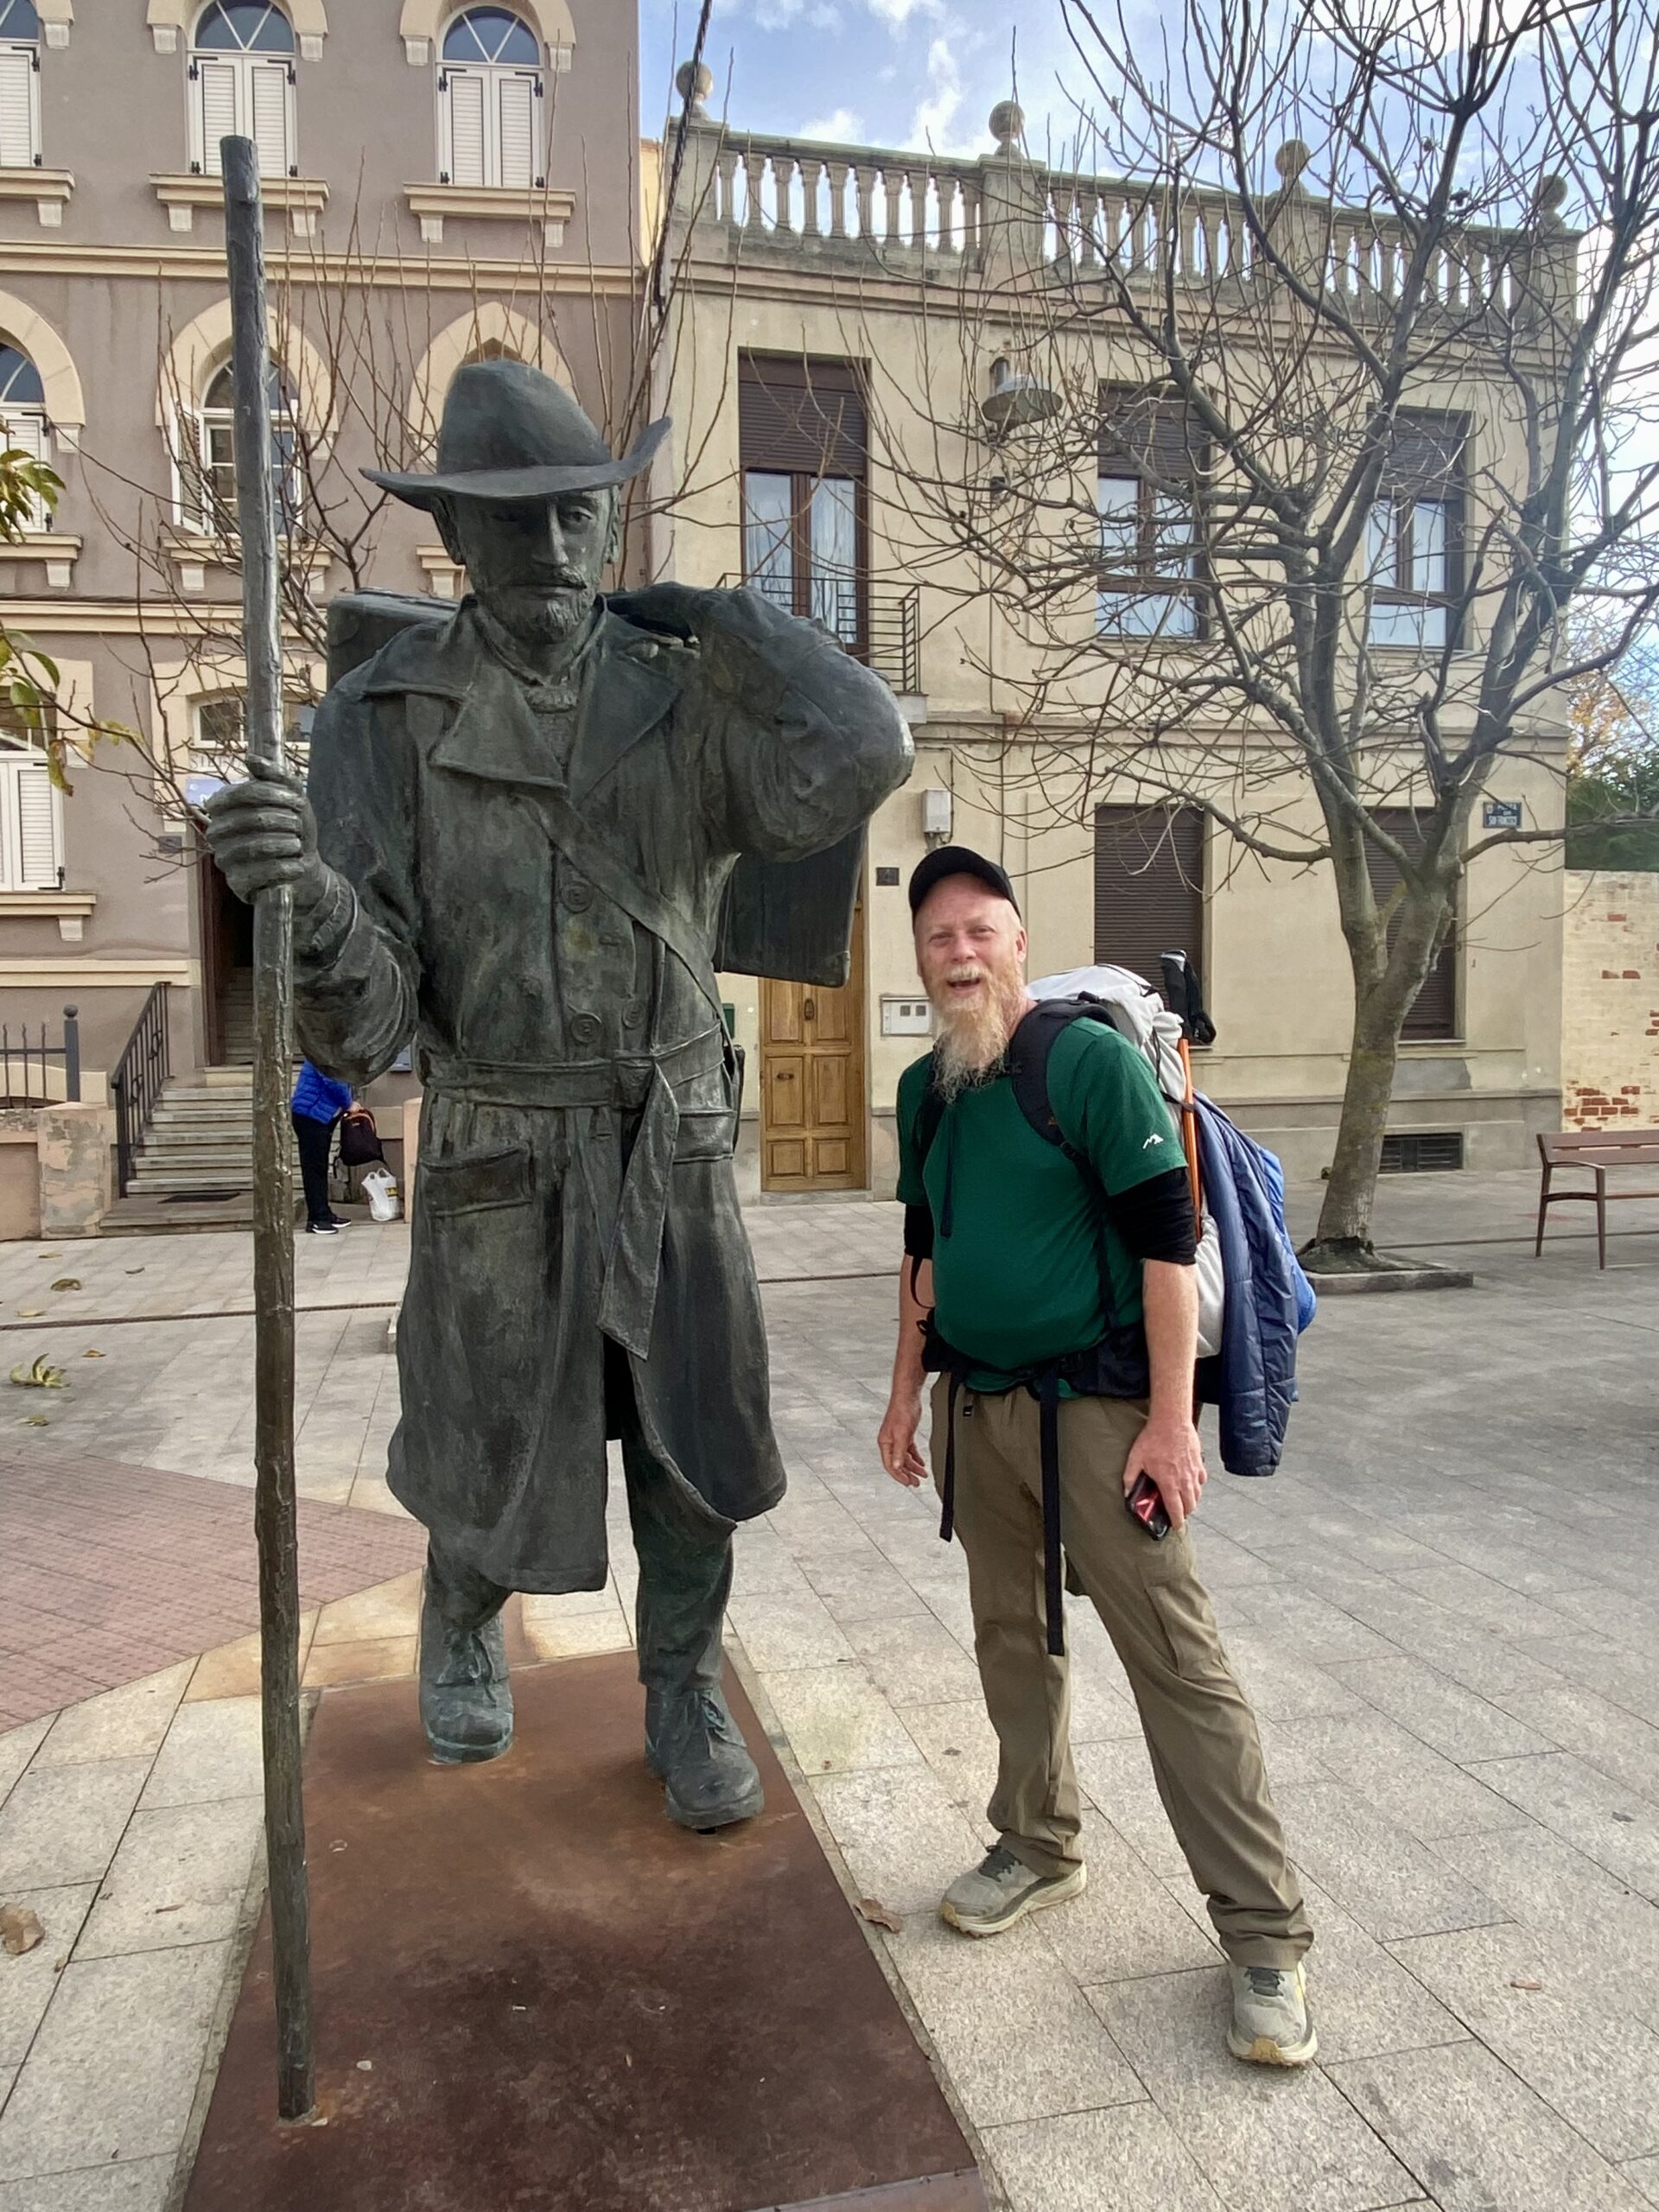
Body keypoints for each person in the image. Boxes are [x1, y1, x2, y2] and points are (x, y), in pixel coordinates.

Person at [204, 359, 912, 1828]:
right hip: (499, 1143)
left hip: (672, 1144)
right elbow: (371, 1022)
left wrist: (724, 617)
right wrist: (308, 901)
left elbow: (865, 749)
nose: (553, 546)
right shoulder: (383, 718)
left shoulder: (686, 691)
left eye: (578, 513)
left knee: (692, 1449)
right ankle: (462, 1623)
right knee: (491, 1436)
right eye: (515, 519)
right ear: (454, 531)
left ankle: (683, 1686)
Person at [876, 847, 1315, 2066]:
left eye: (980, 930)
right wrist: (904, 1394)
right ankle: (1038, 1841)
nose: (960, 953)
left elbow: (1169, 1246)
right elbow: (923, 1252)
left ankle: (1265, 1937)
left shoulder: (1086, 1064)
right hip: (978, 1410)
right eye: (939, 938)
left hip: (1102, 1415)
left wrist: (1173, 1425)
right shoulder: (925, 1091)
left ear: (1019, 939)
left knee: (1177, 1660)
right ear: (922, 961)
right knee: (1010, 1639)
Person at [289, 1058, 353, 1235]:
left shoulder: (329, 1050)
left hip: (318, 1115)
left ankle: (324, 1213)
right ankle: (317, 1219)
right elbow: (334, 1081)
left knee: (320, 1166)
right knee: (314, 1168)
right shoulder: (324, 1052)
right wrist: (349, 1104)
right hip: (311, 1114)